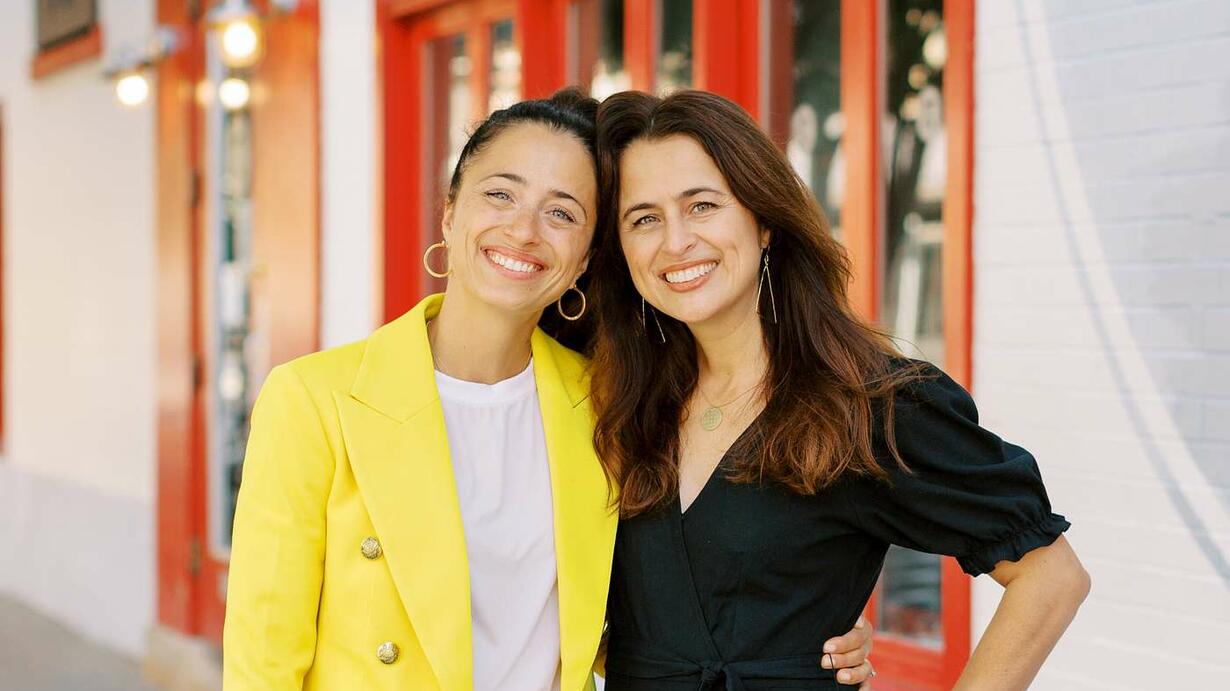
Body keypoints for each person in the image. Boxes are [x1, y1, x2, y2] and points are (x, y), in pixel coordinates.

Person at [221, 88, 874, 691]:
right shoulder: (314, 400)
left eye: (561, 212)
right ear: (450, 213)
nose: (524, 230)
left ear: (586, 256)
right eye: (500, 195)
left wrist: (800, 632)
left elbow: (655, 608)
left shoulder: (608, 402)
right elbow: (262, 661)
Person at [589, 89, 1091, 690]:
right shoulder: (619, 401)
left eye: (702, 206)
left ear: (764, 221)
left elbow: (1050, 576)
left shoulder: (868, 403)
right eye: (644, 218)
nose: (676, 241)